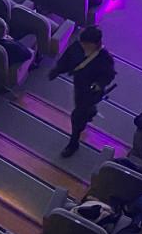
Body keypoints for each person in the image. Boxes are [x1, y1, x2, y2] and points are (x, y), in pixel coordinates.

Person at [48, 25, 116, 157]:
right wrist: (57, 70)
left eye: (87, 44)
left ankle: (74, 143)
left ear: (95, 44)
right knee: (82, 108)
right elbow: (66, 59)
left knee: (77, 116)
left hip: (92, 92)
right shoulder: (77, 47)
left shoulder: (104, 59)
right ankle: (90, 112)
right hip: (79, 87)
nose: (83, 46)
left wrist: (99, 84)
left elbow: (109, 75)